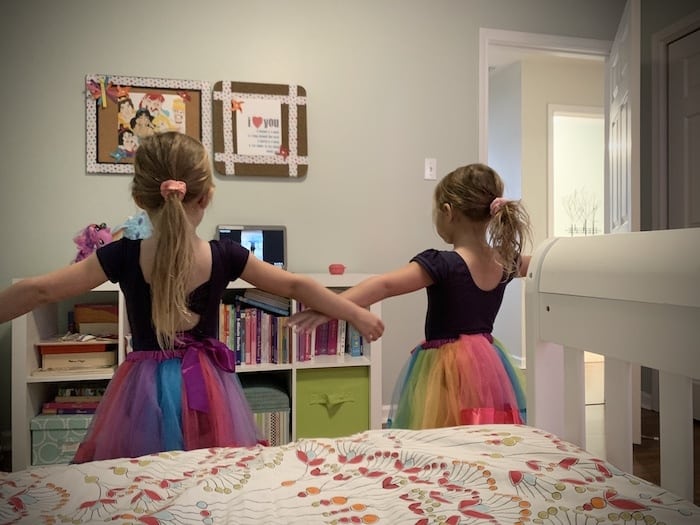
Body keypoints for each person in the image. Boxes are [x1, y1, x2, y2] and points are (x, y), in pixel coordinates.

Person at [0, 131, 384, 462]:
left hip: (144, 385)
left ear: (140, 197)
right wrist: (356, 314)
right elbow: (298, 287)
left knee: (143, 475)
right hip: (207, 383)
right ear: (205, 197)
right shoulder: (224, 255)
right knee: (208, 470)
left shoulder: (123, 254)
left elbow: (38, 290)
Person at [289, 163, 531, 429]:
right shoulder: (506, 260)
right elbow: (541, 263)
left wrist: (329, 308)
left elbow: (383, 285)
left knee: (443, 431)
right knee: (482, 429)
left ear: (447, 212)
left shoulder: (443, 264)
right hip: (489, 367)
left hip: (445, 369)